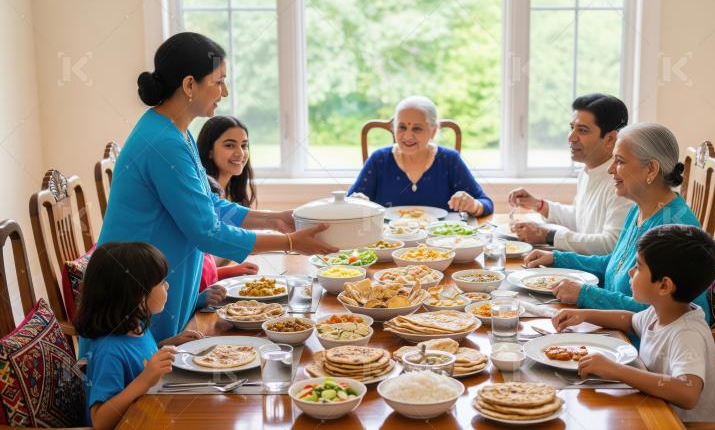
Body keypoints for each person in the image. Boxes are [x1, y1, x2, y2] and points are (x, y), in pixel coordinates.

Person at [99, 32, 337, 343]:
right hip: (134, 301)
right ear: (188, 85)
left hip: (159, 294)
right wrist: (290, 242)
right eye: (218, 81)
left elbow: (208, 205)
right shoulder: (164, 143)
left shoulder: (174, 132)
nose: (224, 91)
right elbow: (205, 231)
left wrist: (273, 219)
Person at [524, 122, 711, 321]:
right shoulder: (638, 209)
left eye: (620, 161)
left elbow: (653, 314)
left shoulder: (672, 229)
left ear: (651, 169)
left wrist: (586, 294)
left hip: (651, 345)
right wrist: (557, 258)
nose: (611, 170)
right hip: (617, 330)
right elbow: (614, 263)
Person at [552, 225, 715, 422]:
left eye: (638, 267)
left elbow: (687, 392)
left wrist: (616, 370)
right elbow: (629, 321)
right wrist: (583, 315)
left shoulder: (686, 333)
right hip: (652, 411)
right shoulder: (660, 311)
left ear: (664, 285)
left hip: (676, 425)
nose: (630, 272)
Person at [75, 243, 191, 429]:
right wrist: (145, 380)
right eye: (161, 282)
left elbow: (138, 358)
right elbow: (100, 421)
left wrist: (167, 344)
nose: (167, 285)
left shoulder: (137, 329)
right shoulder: (108, 352)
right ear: (138, 295)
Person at [508, 94, 632, 254]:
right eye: (572, 127)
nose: (571, 137)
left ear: (610, 139)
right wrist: (538, 205)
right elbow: (581, 219)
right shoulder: (588, 171)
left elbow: (611, 244)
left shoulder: (622, 181)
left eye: (582, 130)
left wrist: (548, 235)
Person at [348, 96, 494, 216]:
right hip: (388, 243)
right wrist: (355, 202)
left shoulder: (449, 160)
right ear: (394, 128)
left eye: (417, 128)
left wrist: (473, 205)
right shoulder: (379, 160)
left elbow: (486, 203)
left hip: (441, 245)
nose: (408, 136)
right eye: (402, 127)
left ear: (433, 130)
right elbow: (349, 203)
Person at [195, 115, 261, 297]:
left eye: (244, 145)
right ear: (209, 150)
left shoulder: (231, 191)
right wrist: (229, 270)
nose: (240, 153)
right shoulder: (202, 192)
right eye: (230, 145)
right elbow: (204, 261)